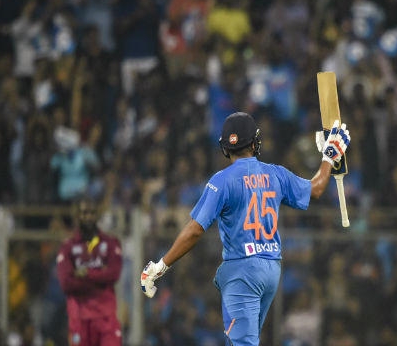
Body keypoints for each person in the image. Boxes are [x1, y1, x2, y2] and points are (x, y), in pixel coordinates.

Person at [140, 112, 351, 346]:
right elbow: (316, 188)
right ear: (254, 143)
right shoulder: (275, 173)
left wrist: (161, 266)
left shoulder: (222, 180)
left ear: (225, 147)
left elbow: (195, 230)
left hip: (243, 271)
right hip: (271, 268)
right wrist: (329, 155)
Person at [56, 198, 123, 346]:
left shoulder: (110, 243)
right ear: (77, 216)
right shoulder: (68, 247)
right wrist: (100, 277)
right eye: (84, 213)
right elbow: (66, 284)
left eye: (92, 213)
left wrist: (86, 274)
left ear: (97, 215)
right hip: (79, 319)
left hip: (106, 318)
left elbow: (114, 274)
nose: (88, 217)